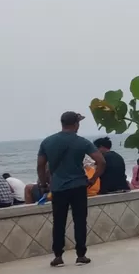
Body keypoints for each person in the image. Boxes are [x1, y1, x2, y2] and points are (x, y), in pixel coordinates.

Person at [38, 111, 103, 265]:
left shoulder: (47, 142)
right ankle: (81, 255)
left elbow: (40, 165)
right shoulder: (83, 142)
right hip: (79, 186)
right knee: (80, 220)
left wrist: (43, 184)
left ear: (62, 123)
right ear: (76, 124)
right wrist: (93, 179)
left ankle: (58, 256)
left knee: (59, 221)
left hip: (58, 187)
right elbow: (101, 161)